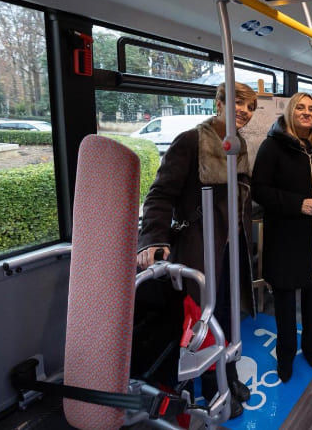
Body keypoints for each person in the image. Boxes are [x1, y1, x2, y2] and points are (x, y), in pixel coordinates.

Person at [136, 82, 258, 418]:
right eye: (238, 104)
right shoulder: (191, 141)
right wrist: (153, 238)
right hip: (199, 247)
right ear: (219, 104)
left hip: (232, 247)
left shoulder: (240, 145)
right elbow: (160, 194)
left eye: (250, 107)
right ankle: (204, 389)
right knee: (200, 321)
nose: (245, 112)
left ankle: (227, 378)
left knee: (229, 317)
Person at [251, 92, 312, 383]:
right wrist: (297, 203)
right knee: (286, 307)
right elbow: (259, 190)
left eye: (311, 108)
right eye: (300, 107)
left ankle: (311, 348)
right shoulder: (271, 147)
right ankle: (286, 355)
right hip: (286, 240)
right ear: (290, 112)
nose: (306, 112)